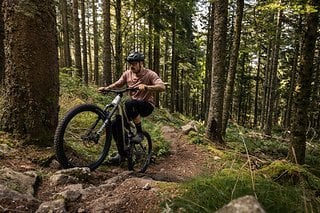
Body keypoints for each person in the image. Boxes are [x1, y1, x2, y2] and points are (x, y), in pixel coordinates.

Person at [98, 51, 165, 163]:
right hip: (133, 107)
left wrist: (147, 87)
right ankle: (122, 154)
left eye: (134, 63)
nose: (132, 66)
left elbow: (162, 86)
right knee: (115, 124)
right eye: (130, 63)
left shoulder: (150, 74)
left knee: (129, 103)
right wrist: (107, 88)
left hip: (147, 105)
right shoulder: (127, 74)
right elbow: (118, 84)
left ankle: (139, 133)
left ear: (141, 63)